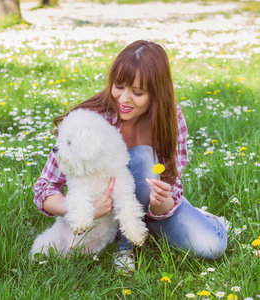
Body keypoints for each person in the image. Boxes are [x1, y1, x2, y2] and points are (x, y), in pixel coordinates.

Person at [33, 40, 228, 272]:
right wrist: (83, 210)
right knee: (143, 157)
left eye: (137, 92)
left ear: (156, 92)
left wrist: (160, 203)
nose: (124, 99)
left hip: (151, 209)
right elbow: (45, 187)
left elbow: (172, 186)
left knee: (211, 246)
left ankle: (198, 220)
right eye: (119, 86)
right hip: (102, 211)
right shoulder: (90, 119)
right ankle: (124, 247)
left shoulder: (172, 121)